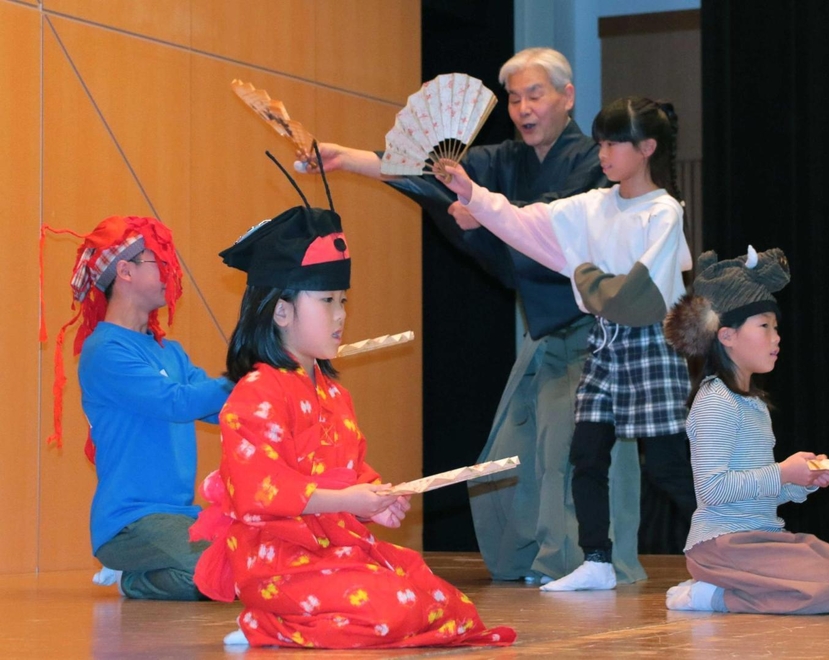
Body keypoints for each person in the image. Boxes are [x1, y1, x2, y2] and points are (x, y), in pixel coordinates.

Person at [297, 47, 649, 584]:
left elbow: (554, 220)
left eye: (535, 94)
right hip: (546, 336)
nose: (523, 108)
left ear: (567, 96)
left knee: (573, 451)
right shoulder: (504, 160)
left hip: (599, 334)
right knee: (504, 459)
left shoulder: (592, 163)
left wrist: (485, 211)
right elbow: (422, 170)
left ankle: (591, 565)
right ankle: (532, 559)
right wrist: (345, 156)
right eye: (514, 98)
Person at [189, 173, 516, 648]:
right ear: (281, 311)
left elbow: (349, 468)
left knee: (445, 604)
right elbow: (258, 490)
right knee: (392, 609)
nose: (341, 315)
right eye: (326, 301)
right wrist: (349, 500)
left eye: (343, 301)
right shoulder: (257, 391)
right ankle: (266, 623)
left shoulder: (333, 393)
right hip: (276, 559)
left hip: (335, 547)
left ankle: (305, 622)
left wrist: (376, 498)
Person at [439, 97, 695, 591]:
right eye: (599, 143)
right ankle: (595, 559)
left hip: (650, 346)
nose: (603, 153)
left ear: (646, 149)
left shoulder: (663, 211)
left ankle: (723, 552)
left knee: (667, 466)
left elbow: (637, 297)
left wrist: (584, 274)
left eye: (613, 143)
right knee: (588, 453)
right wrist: (472, 193)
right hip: (604, 341)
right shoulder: (593, 205)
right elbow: (526, 220)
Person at [661, 246, 829, 614]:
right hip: (722, 544)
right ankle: (710, 596)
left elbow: (755, 492)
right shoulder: (715, 400)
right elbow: (713, 489)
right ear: (726, 336)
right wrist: (782, 472)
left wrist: (800, 482)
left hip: (761, 537)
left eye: (776, 327)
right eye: (764, 326)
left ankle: (730, 591)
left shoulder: (754, 404)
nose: (776, 338)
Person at [44, 215, 232, 600]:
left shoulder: (170, 351)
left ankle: (152, 569)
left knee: (252, 561)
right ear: (125, 272)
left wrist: (265, 380)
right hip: (130, 522)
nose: (170, 270)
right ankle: (135, 578)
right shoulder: (104, 352)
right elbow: (176, 402)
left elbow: (217, 408)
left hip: (179, 517)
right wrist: (243, 372)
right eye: (158, 261)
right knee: (221, 573)